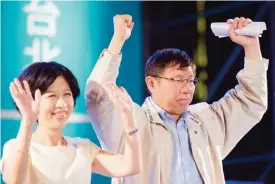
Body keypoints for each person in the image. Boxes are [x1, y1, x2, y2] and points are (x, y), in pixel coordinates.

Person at [85, 14, 268, 184]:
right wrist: (118, 40)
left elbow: (251, 99)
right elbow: (96, 94)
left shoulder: (206, 120)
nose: (187, 88)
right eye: (178, 80)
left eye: (191, 81)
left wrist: (251, 46)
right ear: (152, 83)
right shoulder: (131, 122)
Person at [0, 61, 141, 184]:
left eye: (67, 94)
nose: (62, 103)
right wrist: (28, 122)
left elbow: (130, 166)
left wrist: (128, 118)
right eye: (52, 96)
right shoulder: (16, 146)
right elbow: (14, 179)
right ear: (32, 100)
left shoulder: (82, 148)